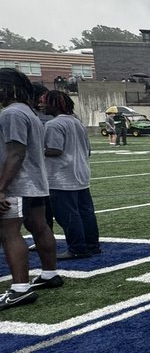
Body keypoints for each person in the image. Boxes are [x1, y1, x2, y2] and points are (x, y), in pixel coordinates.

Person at [0, 69, 61, 308]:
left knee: (8, 233)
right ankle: (49, 273)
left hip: (18, 184)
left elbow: (16, 154)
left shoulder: (12, 113)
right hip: (35, 182)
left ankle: (20, 288)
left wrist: (1, 188)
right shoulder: (28, 112)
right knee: (39, 226)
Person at [43, 91, 100, 261]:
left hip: (61, 176)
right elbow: (88, 150)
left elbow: (55, 150)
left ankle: (77, 248)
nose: (42, 105)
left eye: (44, 102)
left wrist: (36, 150)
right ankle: (92, 245)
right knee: (86, 212)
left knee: (67, 214)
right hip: (81, 173)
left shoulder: (53, 124)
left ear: (55, 104)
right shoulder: (78, 123)